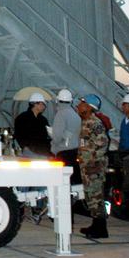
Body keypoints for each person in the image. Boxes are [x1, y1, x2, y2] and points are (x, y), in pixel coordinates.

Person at [76, 95, 109, 239]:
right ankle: (96, 225)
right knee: (90, 196)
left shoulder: (95, 123)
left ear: (89, 107)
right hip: (86, 166)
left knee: (96, 197)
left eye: (82, 103)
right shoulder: (85, 122)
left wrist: (95, 162)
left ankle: (101, 228)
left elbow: (103, 143)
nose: (78, 105)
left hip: (93, 167)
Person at [51, 88, 81, 178]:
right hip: (75, 152)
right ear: (71, 101)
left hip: (63, 153)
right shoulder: (75, 115)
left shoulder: (60, 114)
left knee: (63, 183)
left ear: (57, 100)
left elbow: (57, 137)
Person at [13, 91, 51, 157]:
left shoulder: (43, 120)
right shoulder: (22, 118)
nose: (44, 107)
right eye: (42, 104)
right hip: (30, 152)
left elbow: (47, 135)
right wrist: (25, 146)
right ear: (35, 104)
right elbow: (18, 134)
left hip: (43, 152)